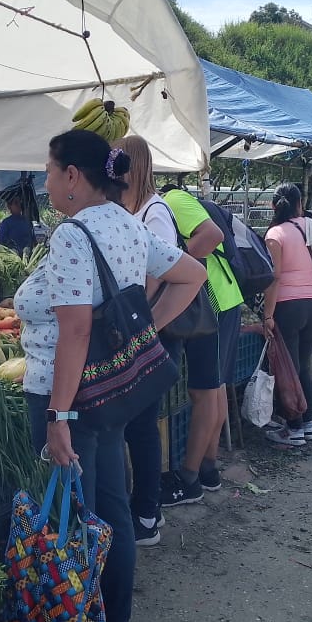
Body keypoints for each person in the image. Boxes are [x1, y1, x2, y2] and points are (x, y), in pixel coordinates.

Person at [15, 129, 205, 622]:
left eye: (50, 171)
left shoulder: (73, 234)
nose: (46, 182)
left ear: (73, 176)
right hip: (110, 392)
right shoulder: (127, 223)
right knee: (112, 510)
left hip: (67, 395)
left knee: (74, 518)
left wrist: (57, 417)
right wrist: (146, 330)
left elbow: (74, 332)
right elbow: (191, 275)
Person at [118, 134, 185, 546]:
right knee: (136, 424)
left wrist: (130, 318)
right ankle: (143, 507)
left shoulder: (154, 211)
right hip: (140, 329)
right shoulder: (131, 210)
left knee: (142, 425)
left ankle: (146, 513)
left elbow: (157, 274)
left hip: (152, 331)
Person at [159, 183, 245, 505]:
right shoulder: (175, 202)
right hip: (219, 301)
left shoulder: (173, 199)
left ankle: (189, 478)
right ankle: (208, 469)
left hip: (214, 304)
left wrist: (172, 265)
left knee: (204, 391)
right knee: (214, 388)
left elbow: (211, 236)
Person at [262, 183, 312, 444]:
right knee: (303, 366)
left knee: (286, 369)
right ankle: (308, 422)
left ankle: (293, 427)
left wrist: (268, 315)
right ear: (301, 203)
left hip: (287, 307)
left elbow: (274, 278)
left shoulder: (275, 234)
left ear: (274, 205)